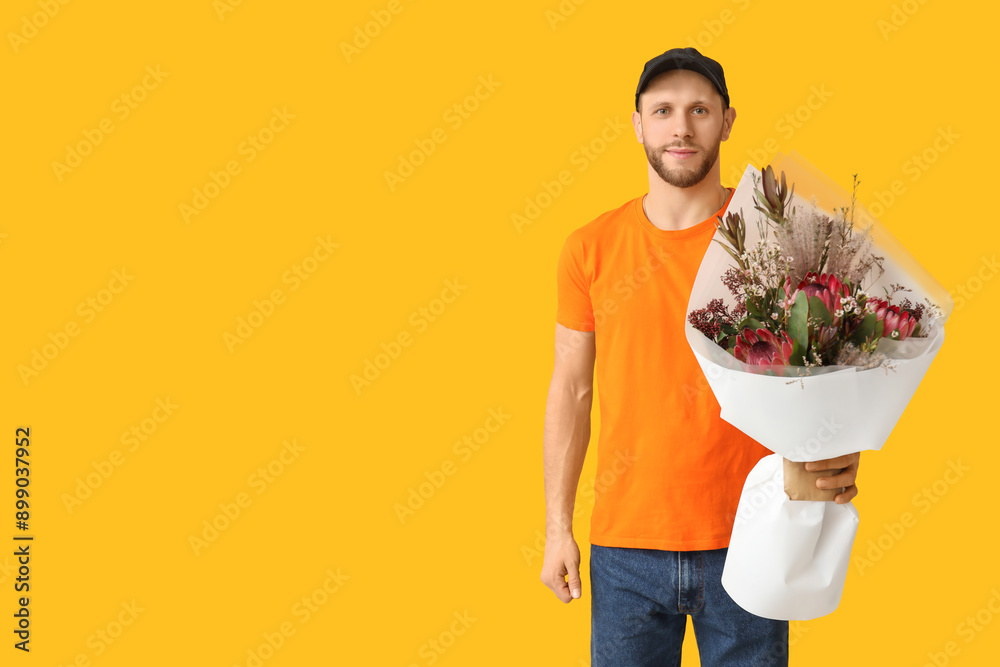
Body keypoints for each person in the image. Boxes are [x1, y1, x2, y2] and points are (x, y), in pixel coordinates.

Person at [539, 47, 861, 666]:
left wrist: (836, 452)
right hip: (626, 546)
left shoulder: (777, 235)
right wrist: (558, 528)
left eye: (698, 110)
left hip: (751, 534)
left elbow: (829, 364)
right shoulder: (589, 249)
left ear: (728, 120)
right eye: (662, 111)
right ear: (638, 124)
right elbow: (571, 391)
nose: (680, 127)